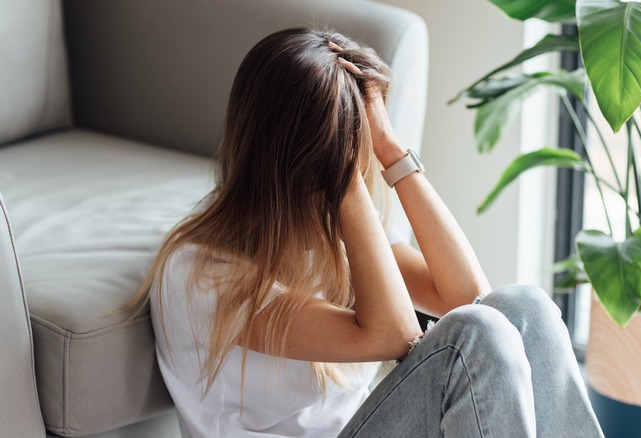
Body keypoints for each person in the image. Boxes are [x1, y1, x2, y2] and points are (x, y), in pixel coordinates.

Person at [124, 27, 604, 438]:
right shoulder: (201, 275)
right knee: (470, 336)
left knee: (524, 306)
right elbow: (394, 335)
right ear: (294, 161)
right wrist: (344, 177)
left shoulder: (334, 240)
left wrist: (393, 151)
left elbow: (470, 296)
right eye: (351, 147)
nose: (361, 162)